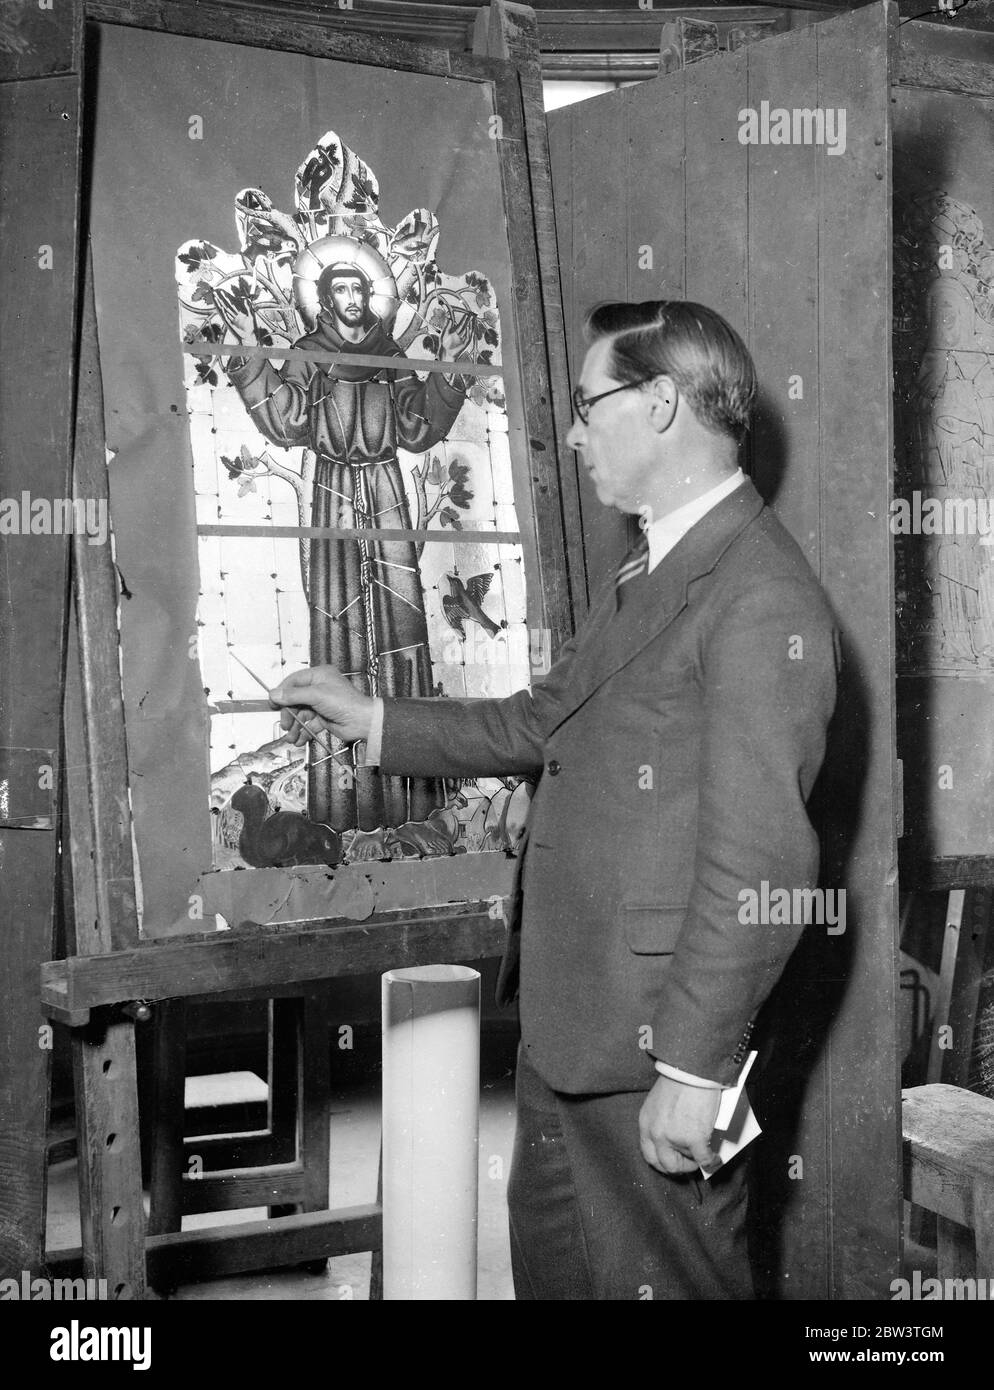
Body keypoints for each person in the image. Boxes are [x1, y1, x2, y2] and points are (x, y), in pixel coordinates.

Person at [268, 300, 839, 1299]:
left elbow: (762, 861)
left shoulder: (758, 593)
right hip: (571, 1033)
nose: (573, 433)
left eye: (588, 404)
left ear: (662, 404)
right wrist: (377, 718)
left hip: (655, 1051)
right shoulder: (655, 567)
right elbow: (546, 722)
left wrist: (696, 1071)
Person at [216, 259, 473, 841]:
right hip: (332, 492)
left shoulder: (388, 355)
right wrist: (248, 354)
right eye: (343, 289)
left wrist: (451, 368)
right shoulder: (311, 351)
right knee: (341, 628)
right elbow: (285, 420)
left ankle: (419, 798)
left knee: (401, 624)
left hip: (385, 493)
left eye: (361, 286)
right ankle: (343, 808)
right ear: (327, 299)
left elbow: (416, 428)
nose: (353, 297)